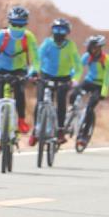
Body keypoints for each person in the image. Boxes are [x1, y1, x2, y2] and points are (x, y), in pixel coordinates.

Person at [0, 5, 39, 161]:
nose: (17, 27)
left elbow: (36, 59)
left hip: (20, 71)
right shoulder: (1, 36)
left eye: (21, 24)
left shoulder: (29, 37)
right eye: (14, 23)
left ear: (26, 24)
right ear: (9, 22)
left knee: (19, 92)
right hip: (0, 72)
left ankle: (21, 120)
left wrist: (33, 72)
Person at [32, 18, 80, 146]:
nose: (58, 32)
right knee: (40, 102)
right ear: (52, 30)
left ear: (67, 32)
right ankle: (35, 130)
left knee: (61, 102)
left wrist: (75, 79)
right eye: (56, 29)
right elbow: (37, 59)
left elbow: (78, 67)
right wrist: (34, 72)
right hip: (46, 75)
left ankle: (60, 131)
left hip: (63, 78)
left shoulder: (71, 46)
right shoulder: (47, 43)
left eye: (62, 30)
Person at [70, 34, 109, 146]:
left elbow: (107, 77)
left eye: (92, 47)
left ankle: (84, 135)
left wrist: (103, 93)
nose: (90, 49)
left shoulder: (107, 59)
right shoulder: (87, 56)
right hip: (88, 82)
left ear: (99, 47)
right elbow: (78, 68)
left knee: (90, 108)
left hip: (99, 85)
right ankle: (72, 115)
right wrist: (70, 78)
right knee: (73, 94)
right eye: (89, 47)